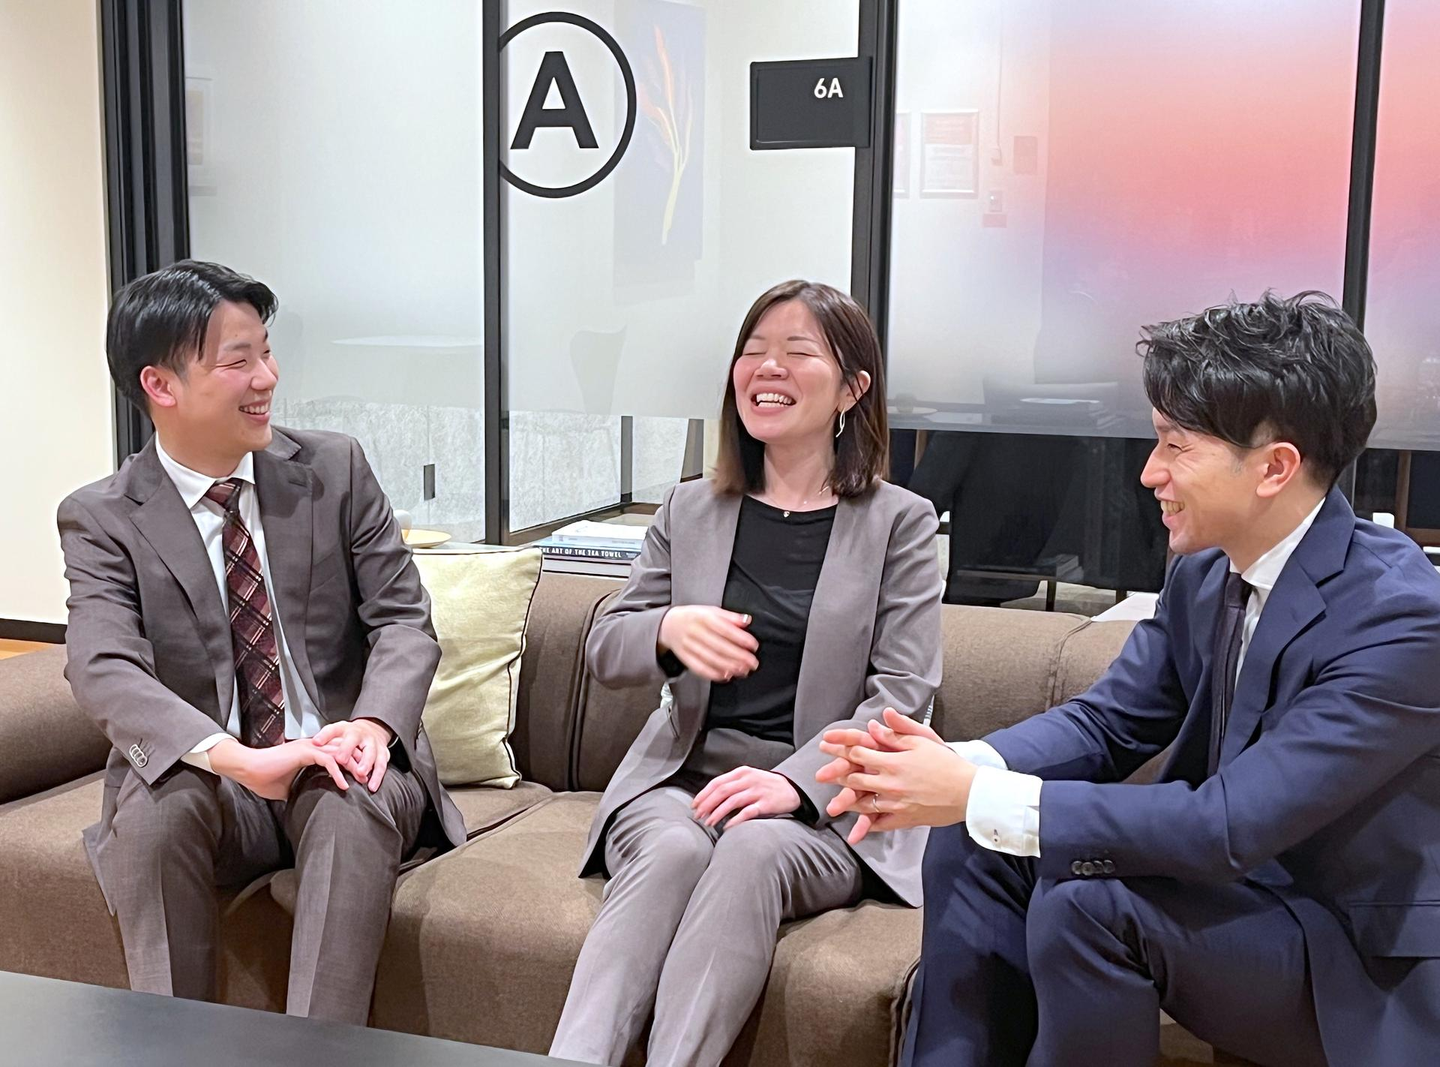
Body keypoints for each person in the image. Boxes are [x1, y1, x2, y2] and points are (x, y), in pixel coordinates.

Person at [818, 291, 1440, 1066]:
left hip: (1348, 960)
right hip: (1238, 900)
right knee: (972, 838)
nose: (1149, 473)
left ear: (1275, 467)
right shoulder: (1206, 570)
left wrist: (973, 791)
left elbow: (1229, 824)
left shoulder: (1400, 617)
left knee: (1088, 906)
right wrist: (958, 767)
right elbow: (1108, 721)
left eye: (1176, 446)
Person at [548, 280, 943, 1066]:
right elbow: (608, 647)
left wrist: (793, 785)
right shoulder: (689, 509)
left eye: (798, 352)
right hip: (681, 783)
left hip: (822, 808)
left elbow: (902, 693)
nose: (768, 367)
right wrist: (668, 632)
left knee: (752, 849)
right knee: (674, 851)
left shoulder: (901, 522)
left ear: (852, 389)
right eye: (754, 351)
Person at [58, 260, 464, 1023]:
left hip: (336, 753)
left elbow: (404, 619)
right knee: (157, 809)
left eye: (267, 353)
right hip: (219, 774)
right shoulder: (103, 517)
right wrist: (234, 758)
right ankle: (173, 1048)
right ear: (160, 385)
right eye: (238, 360)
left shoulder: (334, 469)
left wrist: (372, 724)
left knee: (345, 792)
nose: (267, 378)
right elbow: (102, 665)